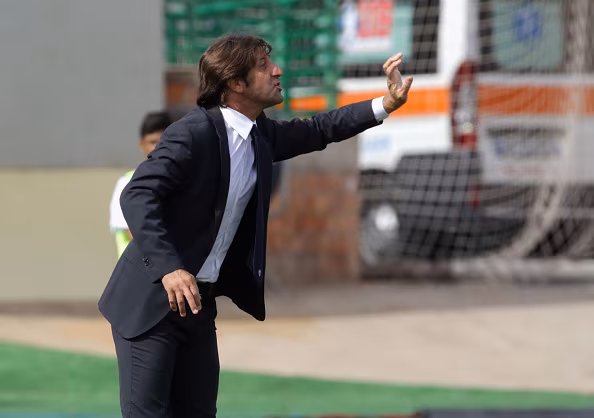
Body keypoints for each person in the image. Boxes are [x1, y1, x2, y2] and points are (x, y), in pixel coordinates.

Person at [98, 34, 413, 417]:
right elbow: (137, 194)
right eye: (264, 66)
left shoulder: (262, 134)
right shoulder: (192, 132)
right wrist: (170, 268)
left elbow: (320, 128)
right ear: (235, 82)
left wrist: (386, 104)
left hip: (197, 306)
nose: (277, 70)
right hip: (149, 303)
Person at [108, 111, 172, 257]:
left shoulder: (182, 182)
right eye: (152, 142)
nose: (158, 148)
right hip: (140, 269)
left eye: (163, 142)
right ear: (142, 145)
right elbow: (139, 235)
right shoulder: (127, 183)